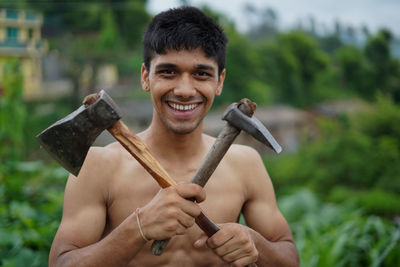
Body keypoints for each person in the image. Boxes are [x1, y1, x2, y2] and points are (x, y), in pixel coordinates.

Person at [49, 6, 299, 267]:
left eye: (201, 74)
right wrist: (139, 227)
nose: (183, 90)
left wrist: (255, 243)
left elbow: (290, 261)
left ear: (219, 81)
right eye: (168, 72)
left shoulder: (246, 164)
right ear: (146, 77)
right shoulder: (99, 167)